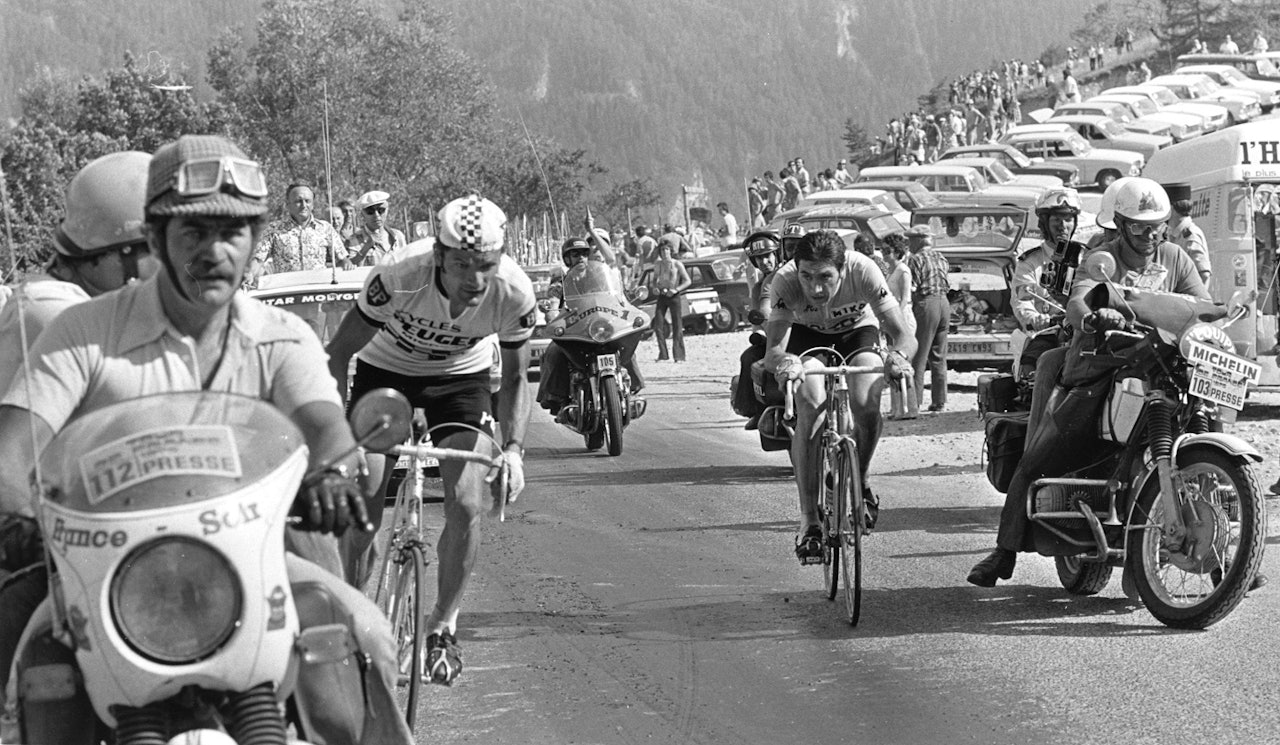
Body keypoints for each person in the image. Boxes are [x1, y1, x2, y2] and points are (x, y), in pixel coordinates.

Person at [0, 134, 413, 744]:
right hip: (98, 574)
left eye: (233, 232)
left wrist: (330, 471)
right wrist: (13, 511)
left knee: (365, 639)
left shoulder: (280, 338)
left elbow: (324, 423)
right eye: (191, 233)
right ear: (157, 238)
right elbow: (14, 447)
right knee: (27, 663)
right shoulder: (82, 334)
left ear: (253, 239)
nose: (213, 252)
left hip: (254, 561)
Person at [966, 178, 1218, 588]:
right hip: (1103, 366)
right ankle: (1005, 549)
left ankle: (1228, 544)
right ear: (1119, 224)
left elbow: (1200, 303)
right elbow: (1079, 298)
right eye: (1138, 226)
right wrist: (1092, 315)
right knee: (1044, 453)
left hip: (1164, 367)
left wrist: (1219, 315)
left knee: (1208, 423)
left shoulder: (1176, 258)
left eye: (1156, 224)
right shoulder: (1103, 259)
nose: (1149, 234)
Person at [325, 193, 532, 686]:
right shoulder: (397, 275)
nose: (474, 279)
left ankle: (442, 627)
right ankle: (351, 619)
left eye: (485, 265)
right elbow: (336, 356)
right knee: (363, 504)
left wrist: (515, 450)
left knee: (466, 501)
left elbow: (519, 381)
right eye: (461, 264)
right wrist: (339, 438)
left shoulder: (514, 292)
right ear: (438, 255)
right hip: (385, 371)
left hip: (462, 380)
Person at [0, 150, 161, 711]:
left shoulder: (130, 312)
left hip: (124, 540)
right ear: (106, 256)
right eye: (154, 248)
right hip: (38, 537)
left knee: (342, 634)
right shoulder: (56, 311)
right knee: (30, 658)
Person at [767, 230, 916, 561]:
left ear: (842, 268)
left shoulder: (863, 269)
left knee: (866, 402)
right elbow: (773, 350)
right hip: (806, 337)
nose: (815, 288)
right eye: (807, 276)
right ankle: (809, 522)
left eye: (825, 277)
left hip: (857, 332)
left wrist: (898, 357)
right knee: (811, 408)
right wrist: (785, 363)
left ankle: (858, 479)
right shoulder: (785, 281)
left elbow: (903, 335)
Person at [537, 231, 644, 415]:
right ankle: (556, 398)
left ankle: (632, 386)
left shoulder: (598, 275)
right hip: (576, 329)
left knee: (625, 343)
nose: (581, 258)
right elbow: (554, 302)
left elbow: (617, 295)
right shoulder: (560, 281)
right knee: (554, 353)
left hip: (600, 327)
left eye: (584, 254)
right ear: (567, 259)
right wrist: (552, 314)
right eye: (575, 254)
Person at [1010, 188, 1088, 380]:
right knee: (1034, 368)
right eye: (1057, 220)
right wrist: (1041, 320)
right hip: (1048, 333)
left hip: (1083, 332)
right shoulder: (1030, 262)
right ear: (1045, 223)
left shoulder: (1087, 257)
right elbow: (1022, 302)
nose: (1063, 226)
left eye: (1068, 219)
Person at [732, 230, 783, 429]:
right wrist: (760, 333)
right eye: (758, 259)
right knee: (749, 358)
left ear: (777, 254)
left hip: (798, 330)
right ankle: (756, 409)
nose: (764, 262)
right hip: (773, 337)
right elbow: (759, 316)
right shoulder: (758, 287)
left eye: (767, 256)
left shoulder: (789, 274)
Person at [248, 183, 348, 282]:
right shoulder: (273, 230)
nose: (304, 205)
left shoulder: (326, 228)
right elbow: (258, 259)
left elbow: (342, 260)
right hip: (287, 291)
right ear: (288, 205)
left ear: (313, 204)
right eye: (298, 201)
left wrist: (348, 265)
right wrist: (250, 274)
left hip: (318, 289)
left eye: (307, 201)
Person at [906, 224, 951, 413]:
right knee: (939, 356)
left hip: (927, 304)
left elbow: (912, 287)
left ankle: (914, 402)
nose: (908, 244)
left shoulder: (916, 260)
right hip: (944, 304)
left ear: (918, 241)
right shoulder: (940, 257)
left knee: (919, 355)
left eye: (910, 240)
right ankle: (939, 400)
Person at [882, 233, 918, 419]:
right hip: (894, 320)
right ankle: (897, 407)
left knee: (902, 364)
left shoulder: (903, 270)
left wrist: (897, 318)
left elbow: (905, 299)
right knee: (893, 363)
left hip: (903, 318)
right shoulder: (892, 271)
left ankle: (910, 408)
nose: (883, 254)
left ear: (896, 252)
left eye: (887, 251)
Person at [649, 237, 691, 362]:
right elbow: (654, 280)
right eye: (662, 250)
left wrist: (677, 289)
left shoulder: (677, 264)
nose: (664, 253)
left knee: (677, 325)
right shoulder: (658, 265)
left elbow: (687, 280)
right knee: (658, 325)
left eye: (666, 250)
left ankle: (679, 355)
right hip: (662, 295)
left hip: (673, 295)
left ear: (670, 251)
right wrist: (655, 288)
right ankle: (663, 354)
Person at [1164, 182, 1212, 284]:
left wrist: (1195, 297)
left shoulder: (1190, 236)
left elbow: (1204, 274)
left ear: (1171, 208)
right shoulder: (1176, 234)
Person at [347, 189, 407, 266]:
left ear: (387, 210)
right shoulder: (353, 240)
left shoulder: (398, 236)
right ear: (362, 214)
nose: (376, 215)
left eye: (381, 210)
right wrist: (366, 248)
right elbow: (348, 267)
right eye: (370, 212)